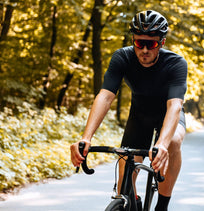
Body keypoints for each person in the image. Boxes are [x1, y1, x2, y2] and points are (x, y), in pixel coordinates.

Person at [70, 10, 188, 211]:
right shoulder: (122, 57)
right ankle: (132, 203)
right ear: (133, 40)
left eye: (150, 44)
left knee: (173, 141)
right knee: (125, 179)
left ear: (162, 43)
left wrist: (162, 144)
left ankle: (162, 205)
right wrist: (86, 137)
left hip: (167, 115)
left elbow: (174, 105)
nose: (144, 49)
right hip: (139, 115)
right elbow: (105, 96)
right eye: (139, 43)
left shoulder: (176, 63)